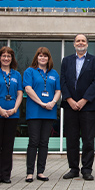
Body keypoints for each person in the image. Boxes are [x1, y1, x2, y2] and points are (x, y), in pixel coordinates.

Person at [61, 34, 95, 181]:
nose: (80, 43)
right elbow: (63, 81)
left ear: (87, 44)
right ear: (74, 44)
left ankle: (86, 169)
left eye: (83, 41)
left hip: (88, 106)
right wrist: (70, 100)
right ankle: (73, 168)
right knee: (71, 139)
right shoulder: (66, 61)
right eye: (78, 40)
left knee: (88, 139)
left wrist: (84, 100)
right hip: (70, 105)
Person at [23, 47, 61, 182]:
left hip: (49, 112)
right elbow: (28, 89)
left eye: (45, 56)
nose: (42, 58)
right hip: (35, 112)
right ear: (36, 57)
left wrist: (53, 102)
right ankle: (29, 173)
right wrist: (41, 103)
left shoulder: (54, 73)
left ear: (48, 58)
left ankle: (40, 172)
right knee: (33, 142)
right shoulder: (30, 71)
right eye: (40, 56)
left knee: (44, 142)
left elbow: (58, 90)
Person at [0, 47, 23, 184]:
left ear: (12, 59)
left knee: (8, 145)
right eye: (4, 56)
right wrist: (0, 109)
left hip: (12, 115)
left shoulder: (17, 75)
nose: (6, 58)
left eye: (9, 56)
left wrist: (14, 109)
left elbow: (20, 93)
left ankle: (6, 174)